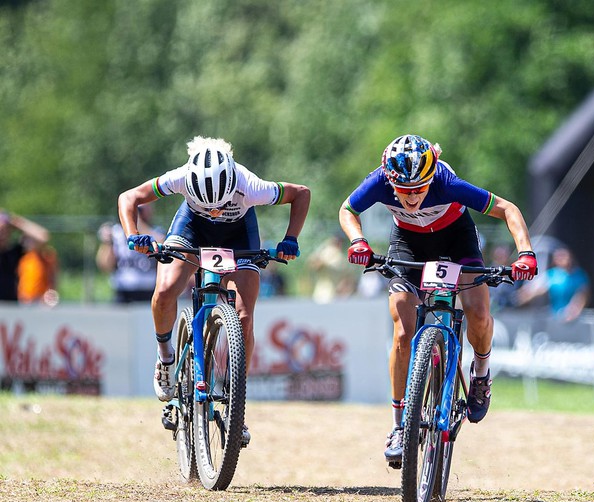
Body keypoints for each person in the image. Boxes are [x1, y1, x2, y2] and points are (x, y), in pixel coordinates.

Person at [338, 134, 537, 466]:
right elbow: (347, 210)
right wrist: (358, 241)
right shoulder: (380, 182)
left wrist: (526, 252)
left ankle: (481, 374)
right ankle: (399, 426)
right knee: (403, 330)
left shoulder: (447, 182)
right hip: (408, 243)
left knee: (477, 310)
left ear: (431, 177)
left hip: (456, 238)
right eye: (404, 190)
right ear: (390, 181)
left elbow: (507, 209)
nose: (413, 196)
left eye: (420, 188)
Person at [118, 135, 311, 446]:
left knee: (244, 316)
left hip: (238, 236)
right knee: (165, 290)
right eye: (208, 205)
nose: (217, 210)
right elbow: (129, 198)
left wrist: (291, 238)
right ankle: (166, 357)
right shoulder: (180, 177)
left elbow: (300, 194)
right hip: (191, 229)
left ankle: (237, 406)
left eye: (222, 204)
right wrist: (133, 235)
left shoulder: (250, 184)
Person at [96, 203, 165, 303]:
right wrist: (107, 242)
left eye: (141, 209)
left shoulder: (157, 231)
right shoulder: (116, 233)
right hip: (123, 290)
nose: (138, 213)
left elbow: (161, 244)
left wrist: (138, 224)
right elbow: (105, 265)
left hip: (149, 289)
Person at [518, 246, 589, 322]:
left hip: (574, 319)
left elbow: (583, 295)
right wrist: (522, 296)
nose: (562, 259)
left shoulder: (579, 275)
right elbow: (537, 288)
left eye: (563, 256)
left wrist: (574, 310)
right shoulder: (552, 274)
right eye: (558, 257)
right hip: (555, 317)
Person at [0, 210, 50, 302]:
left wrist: (16, 222)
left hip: (12, 307)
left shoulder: (14, 252)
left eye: (4, 230)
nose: (1, 234)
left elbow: (43, 236)